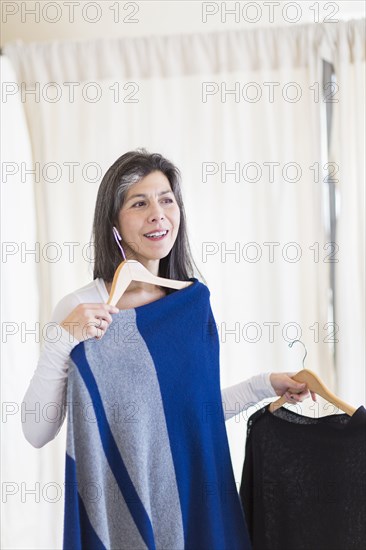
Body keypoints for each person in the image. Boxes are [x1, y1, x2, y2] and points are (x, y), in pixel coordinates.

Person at [21, 149, 314, 548]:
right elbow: (36, 432)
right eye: (139, 203)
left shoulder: (192, 307)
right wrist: (61, 341)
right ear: (115, 225)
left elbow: (189, 416)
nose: (157, 214)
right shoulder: (80, 308)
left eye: (166, 200)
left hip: (193, 502)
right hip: (123, 514)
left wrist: (265, 384)